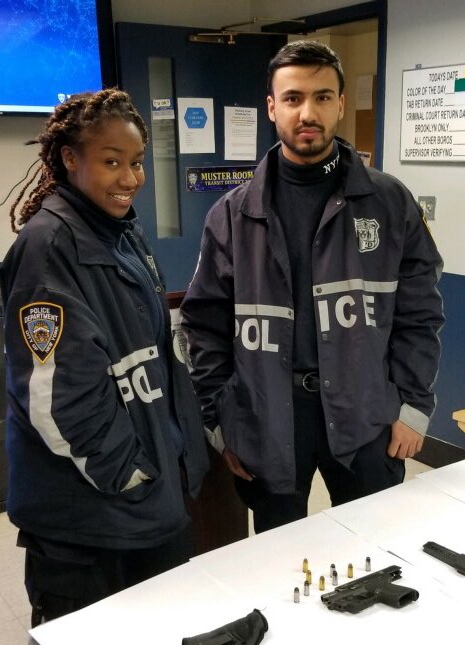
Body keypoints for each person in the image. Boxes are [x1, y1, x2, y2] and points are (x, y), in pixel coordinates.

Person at [1, 88, 208, 645]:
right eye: (112, 161)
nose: (130, 178)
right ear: (70, 159)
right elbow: (56, 401)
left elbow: (155, 359)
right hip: (90, 521)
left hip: (148, 507)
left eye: (137, 162)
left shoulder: (122, 233)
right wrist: (131, 475)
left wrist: (181, 455)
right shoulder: (48, 249)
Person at [181, 41, 444, 534]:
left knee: (373, 545)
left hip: (367, 409)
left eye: (322, 97)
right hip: (269, 416)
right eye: (293, 98)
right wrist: (220, 419)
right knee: (279, 555)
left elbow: (419, 314)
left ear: (340, 104)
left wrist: (413, 406)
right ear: (272, 107)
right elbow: (205, 327)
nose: (308, 113)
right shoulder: (232, 215)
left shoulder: (389, 203)